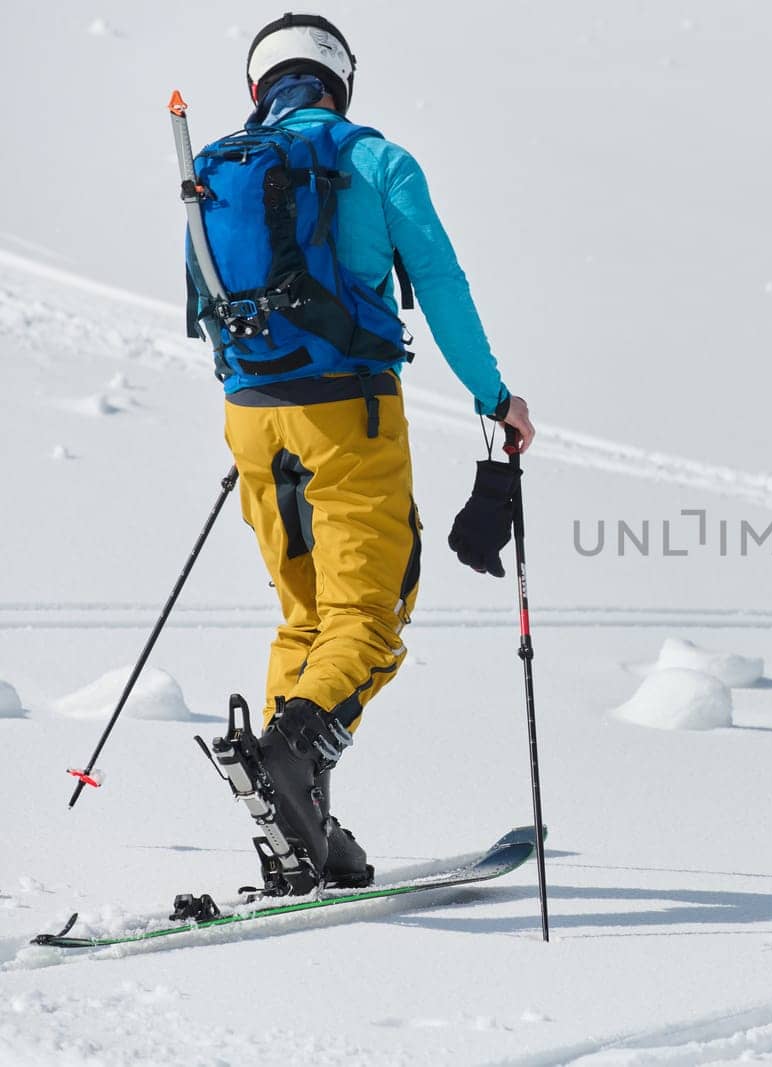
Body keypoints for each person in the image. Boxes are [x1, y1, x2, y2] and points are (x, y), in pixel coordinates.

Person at [196, 12, 535, 891]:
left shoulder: (218, 171)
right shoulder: (376, 161)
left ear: (259, 85)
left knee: (306, 614)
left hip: (251, 414)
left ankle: (297, 824)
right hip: (350, 413)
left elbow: (202, 307)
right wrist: (495, 399)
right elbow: (445, 287)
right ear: (339, 80)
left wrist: (260, 403)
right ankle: (291, 756)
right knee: (372, 613)